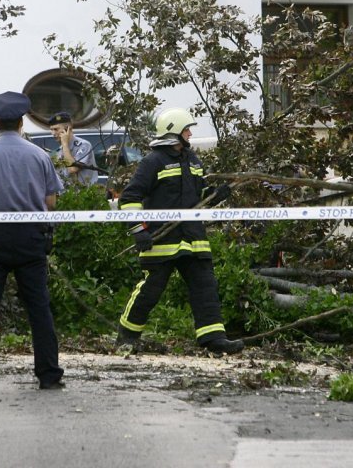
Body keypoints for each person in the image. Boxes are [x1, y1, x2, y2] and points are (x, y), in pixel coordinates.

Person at [0, 91, 66, 391]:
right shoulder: (39, 155)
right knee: (39, 308)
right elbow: (51, 202)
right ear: (21, 121)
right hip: (31, 237)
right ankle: (48, 375)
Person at [116, 108, 243, 355]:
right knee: (151, 290)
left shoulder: (193, 160)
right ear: (174, 133)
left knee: (205, 287)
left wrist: (216, 195)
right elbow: (130, 197)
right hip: (162, 239)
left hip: (193, 238)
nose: (190, 134)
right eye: (187, 130)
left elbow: (200, 196)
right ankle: (127, 336)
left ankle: (213, 339)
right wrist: (138, 230)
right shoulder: (153, 161)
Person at [48, 111, 99, 186]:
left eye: (56, 129)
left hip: (84, 194)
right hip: (67, 195)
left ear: (68, 129)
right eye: (51, 130)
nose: (53, 133)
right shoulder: (59, 151)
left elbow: (72, 169)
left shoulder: (84, 145)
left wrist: (65, 144)